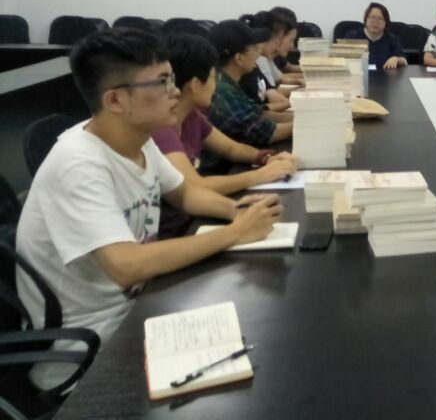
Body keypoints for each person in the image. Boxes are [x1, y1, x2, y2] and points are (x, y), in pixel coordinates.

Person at [15, 29, 282, 390]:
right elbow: (128, 266)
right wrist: (234, 233)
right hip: (90, 349)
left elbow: (186, 194)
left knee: (263, 327)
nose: (176, 91)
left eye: (171, 78)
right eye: (161, 82)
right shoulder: (78, 164)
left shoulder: (139, 139)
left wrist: (238, 211)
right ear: (115, 100)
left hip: (142, 308)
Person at [154, 34, 299, 238]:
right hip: (177, 231)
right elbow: (193, 186)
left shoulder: (192, 116)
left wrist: (265, 158)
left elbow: (231, 148)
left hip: (197, 215)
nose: (217, 85)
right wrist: (259, 175)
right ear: (195, 84)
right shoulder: (161, 128)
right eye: (214, 78)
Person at [208, 20, 293, 147]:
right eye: (255, 49)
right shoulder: (224, 91)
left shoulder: (226, 81)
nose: (258, 55)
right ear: (239, 58)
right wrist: (310, 124)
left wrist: (301, 118)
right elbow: (267, 133)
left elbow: (258, 113)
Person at [346, 2, 406, 70]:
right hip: (359, 74)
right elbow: (343, 58)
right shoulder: (353, 37)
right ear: (366, 19)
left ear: (386, 22)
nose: (375, 22)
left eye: (380, 18)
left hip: (384, 75)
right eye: (372, 17)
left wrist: (396, 59)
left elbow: (403, 60)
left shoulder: (392, 39)